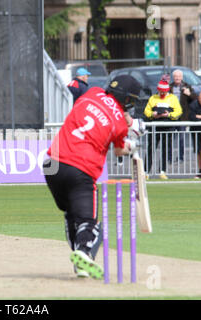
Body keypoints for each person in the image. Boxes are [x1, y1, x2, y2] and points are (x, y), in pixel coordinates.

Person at [43, 75, 144, 279]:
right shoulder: (120, 125)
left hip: (51, 165)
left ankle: (81, 262)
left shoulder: (91, 93)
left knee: (72, 214)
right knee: (89, 222)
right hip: (81, 170)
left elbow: (103, 109)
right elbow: (118, 151)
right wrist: (133, 144)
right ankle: (83, 252)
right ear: (126, 99)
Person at [144, 79, 182, 179]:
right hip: (154, 127)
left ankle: (162, 171)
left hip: (168, 127)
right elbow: (146, 111)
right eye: (160, 91)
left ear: (167, 90)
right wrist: (153, 114)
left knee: (166, 149)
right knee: (150, 149)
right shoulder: (153, 98)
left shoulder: (173, 98)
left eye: (164, 91)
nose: (162, 93)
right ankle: (146, 172)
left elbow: (178, 111)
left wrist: (169, 114)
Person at [169, 69, 197, 162]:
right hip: (172, 116)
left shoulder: (187, 86)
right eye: (175, 76)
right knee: (170, 138)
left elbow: (195, 98)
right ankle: (169, 157)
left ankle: (180, 157)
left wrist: (189, 93)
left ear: (182, 77)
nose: (177, 78)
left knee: (181, 138)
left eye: (179, 76)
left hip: (183, 117)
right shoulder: (169, 87)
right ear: (173, 78)